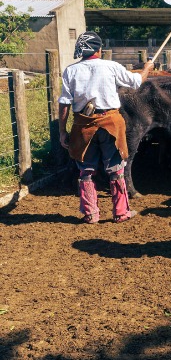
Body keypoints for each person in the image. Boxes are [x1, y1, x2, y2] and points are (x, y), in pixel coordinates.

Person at [58, 31, 154, 223]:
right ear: (99, 50)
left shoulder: (71, 71)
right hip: (110, 122)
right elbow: (136, 82)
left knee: (86, 171)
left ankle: (91, 213)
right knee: (116, 169)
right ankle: (121, 212)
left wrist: (62, 131)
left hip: (83, 124)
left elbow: (64, 103)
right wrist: (147, 68)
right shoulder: (111, 66)